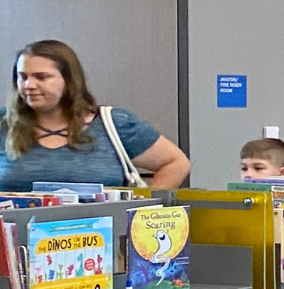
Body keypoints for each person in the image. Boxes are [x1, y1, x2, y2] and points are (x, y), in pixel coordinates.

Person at [4, 40, 191, 191]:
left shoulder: (114, 124)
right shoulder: (3, 124)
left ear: (69, 80)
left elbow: (176, 163)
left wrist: (145, 211)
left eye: (41, 77)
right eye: (22, 77)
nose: (28, 85)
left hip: (100, 236)